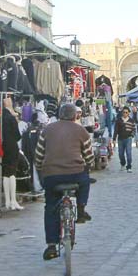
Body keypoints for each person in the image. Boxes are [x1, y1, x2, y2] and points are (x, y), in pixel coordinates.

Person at [35, 103, 95, 261]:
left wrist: (42, 172)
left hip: (52, 176)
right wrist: (87, 165)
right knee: (85, 180)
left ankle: (51, 246)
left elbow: (38, 156)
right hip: (75, 174)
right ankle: (81, 210)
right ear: (75, 116)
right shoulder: (81, 131)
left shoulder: (47, 130)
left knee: (50, 207)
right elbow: (89, 156)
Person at [113, 106, 135, 172]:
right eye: (124, 112)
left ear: (128, 113)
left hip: (128, 138)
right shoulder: (119, 120)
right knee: (120, 153)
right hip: (120, 139)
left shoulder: (131, 120)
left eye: (126, 112)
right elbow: (116, 130)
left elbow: (134, 129)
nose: (125, 113)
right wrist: (114, 139)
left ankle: (129, 166)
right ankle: (123, 163)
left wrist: (132, 135)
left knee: (128, 153)